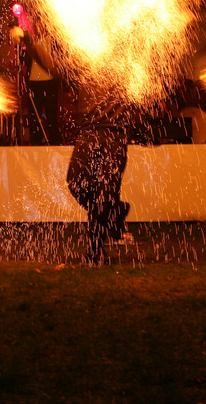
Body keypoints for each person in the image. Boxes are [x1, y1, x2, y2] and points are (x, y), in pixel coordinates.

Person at [11, 25, 129, 264]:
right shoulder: (84, 68)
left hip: (113, 136)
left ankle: (95, 251)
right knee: (76, 182)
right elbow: (52, 66)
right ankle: (114, 212)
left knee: (103, 194)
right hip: (88, 134)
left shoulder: (124, 66)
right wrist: (28, 42)